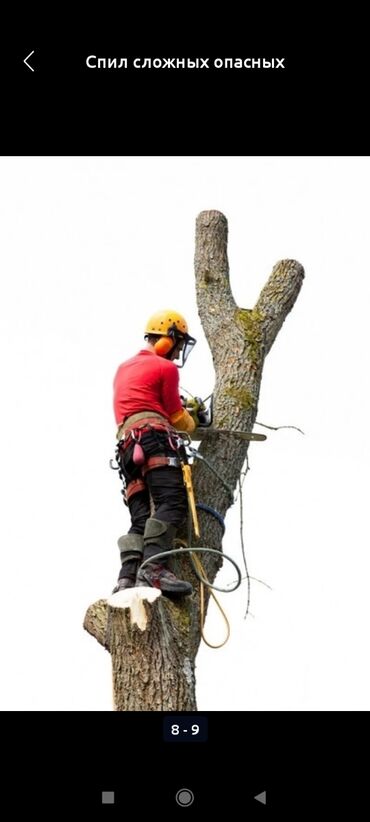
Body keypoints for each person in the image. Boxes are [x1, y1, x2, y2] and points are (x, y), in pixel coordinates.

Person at [112, 309, 198, 597]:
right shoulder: (166, 369)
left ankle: (127, 577)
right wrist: (195, 420)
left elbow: (141, 401)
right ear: (168, 338)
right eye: (177, 344)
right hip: (155, 440)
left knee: (140, 516)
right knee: (172, 502)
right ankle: (155, 568)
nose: (176, 354)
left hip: (127, 447)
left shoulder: (124, 368)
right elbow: (176, 416)